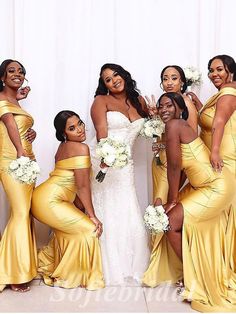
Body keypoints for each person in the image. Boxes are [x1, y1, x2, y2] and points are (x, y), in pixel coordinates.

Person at [151, 92, 236, 312]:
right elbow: (181, 167)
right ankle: (193, 276)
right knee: (170, 223)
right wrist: (175, 197)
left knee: (169, 223)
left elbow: (174, 167)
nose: (164, 110)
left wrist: (172, 200)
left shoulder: (175, 125)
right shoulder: (177, 127)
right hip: (211, 184)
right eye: (161, 107)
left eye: (169, 105)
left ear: (180, 107)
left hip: (215, 186)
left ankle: (194, 278)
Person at [90, 63, 150, 285]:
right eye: (107, 79)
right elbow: (101, 134)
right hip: (107, 164)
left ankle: (131, 266)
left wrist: (152, 117)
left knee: (128, 207)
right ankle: (108, 265)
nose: (113, 80)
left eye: (116, 74)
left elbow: (149, 128)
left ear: (124, 75)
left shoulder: (139, 102)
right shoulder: (101, 101)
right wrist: (108, 159)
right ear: (103, 84)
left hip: (127, 166)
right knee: (110, 207)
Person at [31, 110, 104, 290]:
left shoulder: (63, 147)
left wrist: (83, 210)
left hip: (43, 198)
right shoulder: (81, 148)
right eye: (72, 128)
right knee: (90, 230)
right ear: (64, 133)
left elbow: (73, 186)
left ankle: (63, 268)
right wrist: (92, 216)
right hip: (49, 201)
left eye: (80, 123)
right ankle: (71, 275)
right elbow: (82, 186)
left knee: (70, 233)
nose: (79, 130)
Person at [143, 65, 198, 287]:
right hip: (160, 164)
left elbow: (190, 139)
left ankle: (179, 271)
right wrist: (155, 124)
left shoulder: (186, 103)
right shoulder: (168, 105)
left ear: (183, 81)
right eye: (165, 78)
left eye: (174, 78)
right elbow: (167, 134)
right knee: (160, 209)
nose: (169, 81)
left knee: (163, 211)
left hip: (173, 167)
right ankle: (168, 268)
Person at [188, 54, 236, 285]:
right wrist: (199, 106)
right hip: (217, 154)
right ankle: (217, 261)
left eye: (219, 69)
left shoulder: (228, 92)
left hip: (224, 157)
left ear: (231, 71)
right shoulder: (223, 93)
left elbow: (218, 122)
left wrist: (214, 151)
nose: (214, 74)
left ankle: (224, 265)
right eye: (211, 70)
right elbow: (210, 119)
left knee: (223, 212)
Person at [0, 59, 38, 292]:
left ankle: (22, 266)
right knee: (21, 213)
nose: (18, 74)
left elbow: (18, 125)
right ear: (2, 77)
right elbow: (10, 125)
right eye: (11, 71)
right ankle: (13, 273)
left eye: (21, 71)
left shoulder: (13, 100)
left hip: (26, 162)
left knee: (23, 213)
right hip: (13, 161)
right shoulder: (2, 100)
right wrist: (21, 152)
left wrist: (30, 132)